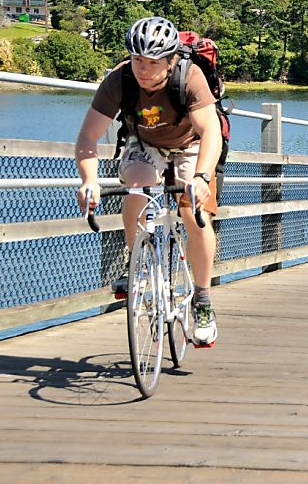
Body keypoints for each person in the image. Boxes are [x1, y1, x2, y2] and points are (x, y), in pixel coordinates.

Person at [75, 17, 222, 348]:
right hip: (145, 143)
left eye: (153, 62)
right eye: (137, 60)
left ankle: (202, 299)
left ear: (170, 61)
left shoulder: (189, 77)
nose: (143, 69)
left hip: (191, 145)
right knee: (138, 186)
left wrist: (201, 177)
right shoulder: (119, 80)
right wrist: (90, 180)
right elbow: (87, 136)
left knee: (192, 212)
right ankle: (137, 263)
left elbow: (210, 130)